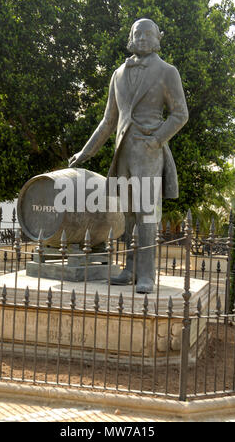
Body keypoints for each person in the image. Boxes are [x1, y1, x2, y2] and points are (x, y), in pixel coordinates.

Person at [69, 18, 188, 293]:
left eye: (148, 34)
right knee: (129, 216)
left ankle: (147, 274)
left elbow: (180, 114)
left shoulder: (167, 71)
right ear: (130, 38)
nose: (143, 38)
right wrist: (86, 151)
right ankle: (131, 268)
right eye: (138, 33)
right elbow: (109, 121)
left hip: (149, 153)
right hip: (122, 154)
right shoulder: (118, 74)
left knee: (147, 214)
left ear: (158, 38)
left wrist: (157, 140)